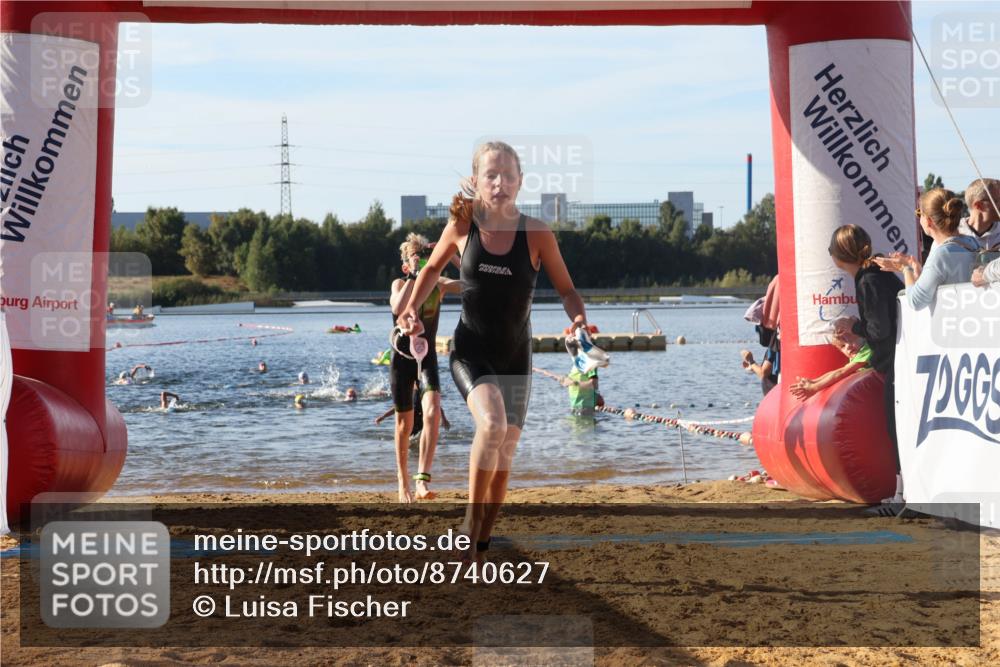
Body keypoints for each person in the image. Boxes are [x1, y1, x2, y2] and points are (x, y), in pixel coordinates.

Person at [398, 141, 587, 559]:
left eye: (507, 175)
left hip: (516, 356)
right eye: (490, 175)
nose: (499, 183)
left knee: (505, 450)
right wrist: (410, 310)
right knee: (493, 424)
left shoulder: (537, 233)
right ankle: (469, 520)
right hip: (471, 350)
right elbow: (429, 270)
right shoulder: (462, 228)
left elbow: (568, 290)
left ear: (520, 181)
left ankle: (481, 538)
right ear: (477, 180)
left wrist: (577, 319)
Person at [828, 224, 905, 505]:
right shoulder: (878, 274)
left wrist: (853, 326)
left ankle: (902, 493)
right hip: (901, 358)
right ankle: (903, 490)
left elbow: (880, 329)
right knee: (899, 427)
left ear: (839, 256)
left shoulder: (868, 281)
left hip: (897, 362)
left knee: (896, 428)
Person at [389, 233, 462, 502]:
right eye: (415, 261)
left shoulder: (439, 285)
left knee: (432, 412)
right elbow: (398, 308)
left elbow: (471, 284)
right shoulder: (399, 283)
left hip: (427, 358)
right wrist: (413, 275)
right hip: (402, 360)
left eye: (426, 259)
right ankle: (402, 482)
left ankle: (422, 480)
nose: (421, 265)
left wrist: (451, 253)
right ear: (406, 265)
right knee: (404, 424)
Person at [874, 188, 979, 310]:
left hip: (951, 324)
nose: (919, 218)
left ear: (928, 221)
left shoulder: (942, 254)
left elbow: (916, 301)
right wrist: (918, 273)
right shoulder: (971, 243)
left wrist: (905, 269)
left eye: (919, 214)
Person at [790, 329, 871, 400]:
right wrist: (814, 381)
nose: (848, 346)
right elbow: (838, 371)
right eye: (843, 346)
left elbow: (842, 372)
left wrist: (814, 388)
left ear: (862, 337)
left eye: (851, 340)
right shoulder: (855, 355)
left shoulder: (868, 349)